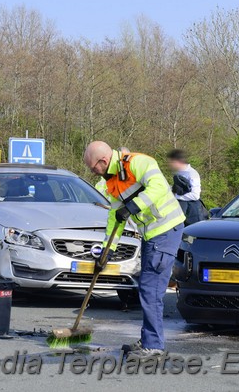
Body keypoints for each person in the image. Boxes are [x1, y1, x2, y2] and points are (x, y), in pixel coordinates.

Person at [83, 141, 185, 358]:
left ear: (102, 161)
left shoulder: (137, 162)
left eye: (94, 168)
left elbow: (158, 186)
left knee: (150, 288)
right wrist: (107, 249)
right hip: (152, 235)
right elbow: (115, 217)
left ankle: (153, 346)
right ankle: (149, 338)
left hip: (165, 230)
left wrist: (133, 206)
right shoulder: (112, 181)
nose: (94, 172)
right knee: (147, 288)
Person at [167, 149, 208, 225]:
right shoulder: (179, 173)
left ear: (178, 161)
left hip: (193, 213)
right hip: (182, 211)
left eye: (171, 162)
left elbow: (195, 195)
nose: (170, 164)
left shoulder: (192, 174)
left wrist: (176, 196)